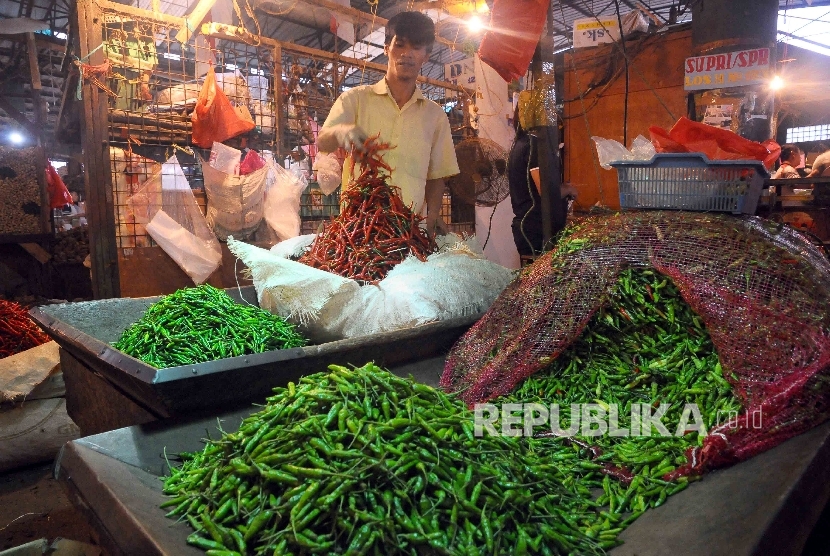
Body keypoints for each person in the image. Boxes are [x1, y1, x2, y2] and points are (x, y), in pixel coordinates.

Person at [316, 11, 459, 237]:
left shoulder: (436, 116)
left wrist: (431, 219)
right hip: (357, 227)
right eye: (400, 45)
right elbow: (323, 142)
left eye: (416, 47)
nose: (407, 54)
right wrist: (341, 131)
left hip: (409, 231)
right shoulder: (354, 99)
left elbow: (437, 176)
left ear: (427, 55)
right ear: (386, 48)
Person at [508, 101, 577, 257]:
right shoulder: (533, 146)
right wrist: (568, 189)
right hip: (536, 231)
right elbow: (546, 192)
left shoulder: (520, 144)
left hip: (528, 228)